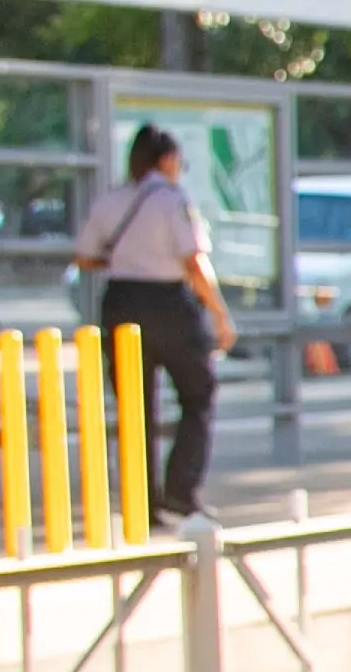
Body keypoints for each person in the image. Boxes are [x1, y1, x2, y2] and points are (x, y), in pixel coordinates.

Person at [73, 123, 233, 519]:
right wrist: (219, 314)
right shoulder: (173, 199)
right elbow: (193, 261)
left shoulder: (111, 202)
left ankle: (141, 502)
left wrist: (128, 259)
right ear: (166, 159)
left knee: (134, 405)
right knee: (198, 395)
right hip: (170, 305)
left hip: (122, 302)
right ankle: (181, 490)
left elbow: (84, 256)